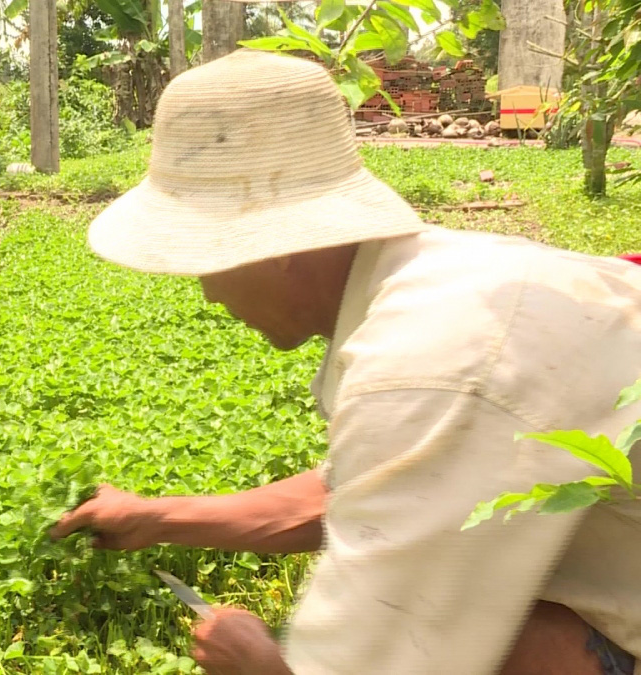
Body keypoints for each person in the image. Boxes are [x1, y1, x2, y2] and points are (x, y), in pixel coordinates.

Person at [49, 49, 641, 675]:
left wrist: (261, 664)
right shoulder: (437, 283)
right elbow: (357, 493)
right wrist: (158, 517)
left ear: (274, 247)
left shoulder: (428, 362)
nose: (210, 294)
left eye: (207, 263)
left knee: (502, 644)